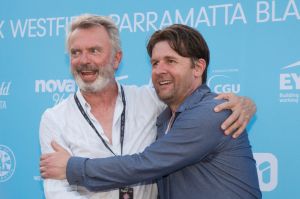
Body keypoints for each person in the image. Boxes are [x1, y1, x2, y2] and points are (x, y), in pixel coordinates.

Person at [39, 14, 257, 199]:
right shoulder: (55, 118)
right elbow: (58, 192)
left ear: (117, 59)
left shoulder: (209, 111)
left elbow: (144, 164)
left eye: (94, 50)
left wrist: (72, 167)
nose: (84, 60)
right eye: (76, 53)